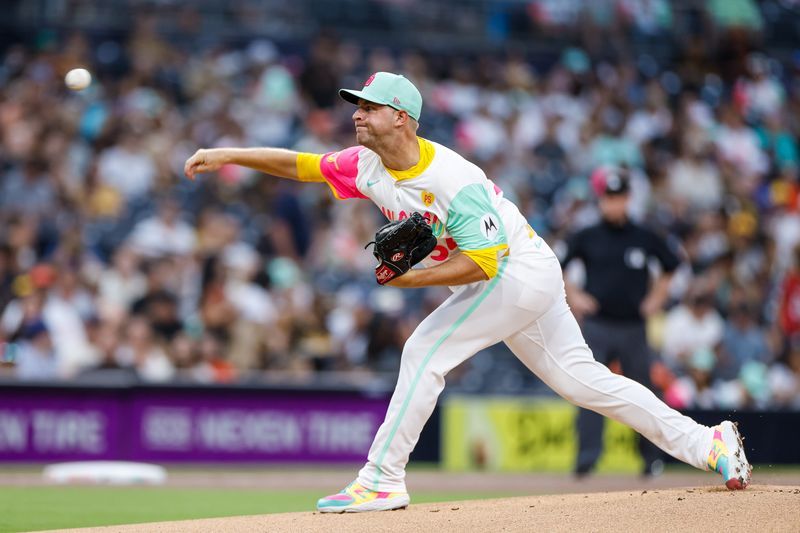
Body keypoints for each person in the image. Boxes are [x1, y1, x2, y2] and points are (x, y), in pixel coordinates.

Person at [184, 71, 752, 513]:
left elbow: (484, 264)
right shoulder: (367, 166)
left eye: (369, 107)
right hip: (523, 272)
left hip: (517, 270)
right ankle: (709, 443)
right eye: (356, 105)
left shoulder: (454, 179)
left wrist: (412, 279)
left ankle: (380, 481)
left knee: (424, 350)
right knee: (587, 384)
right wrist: (231, 154)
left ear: (402, 118)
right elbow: (303, 165)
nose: (356, 114)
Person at [560, 167, 679, 478]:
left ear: (628, 199)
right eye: (608, 198)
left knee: (645, 392)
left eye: (619, 197)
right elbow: (556, 265)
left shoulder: (644, 235)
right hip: (598, 326)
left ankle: (652, 459)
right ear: (601, 200)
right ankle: (586, 459)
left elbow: (672, 265)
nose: (613, 204)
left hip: (633, 327)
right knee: (587, 390)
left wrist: (656, 299)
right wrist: (575, 294)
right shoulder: (587, 236)